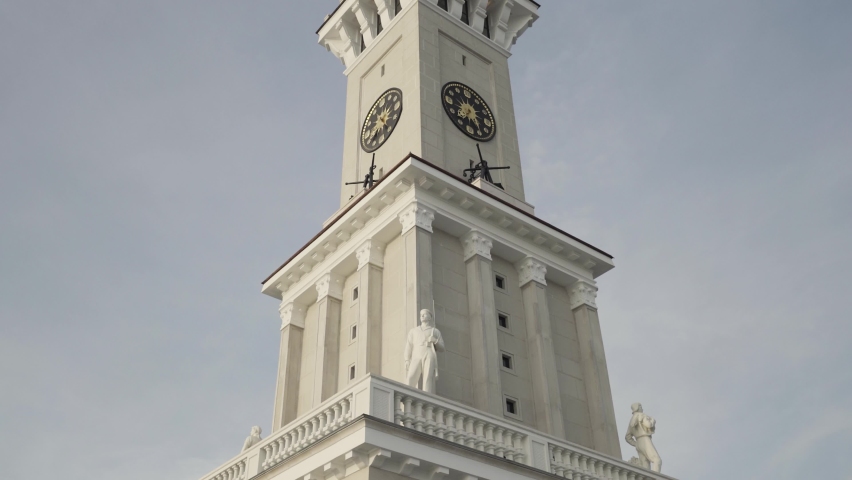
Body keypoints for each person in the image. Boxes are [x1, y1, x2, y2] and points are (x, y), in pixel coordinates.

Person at [404, 309, 445, 393]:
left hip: (429, 353)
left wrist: (435, 340)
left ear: (430, 317)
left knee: (427, 378)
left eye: (425, 314)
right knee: (411, 377)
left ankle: (427, 396)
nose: (422, 316)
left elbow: (442, 348)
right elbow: (409, 346)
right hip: (417, 353)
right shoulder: (414, 331)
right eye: (421, 315)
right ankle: (407, 395)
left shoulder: (435, 331)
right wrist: (407, 359)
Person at [625, 403, 662, 472]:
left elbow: (627, 437)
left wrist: (636, 444)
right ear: (637, 408)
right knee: (657, 460)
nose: (642, 408)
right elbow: (649, 425)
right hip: (645, 440)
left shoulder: (632, 419)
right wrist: (653, 420)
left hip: (638, 443)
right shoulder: (641, 415)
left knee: (645, 466)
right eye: (640, 407)